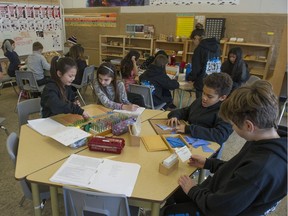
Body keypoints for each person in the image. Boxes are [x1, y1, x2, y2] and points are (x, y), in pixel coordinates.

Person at [163, 80, 287, 216]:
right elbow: (238, 169)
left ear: (249, 126)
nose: (232, 127)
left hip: (219, 208)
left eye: (232, 124)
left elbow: (219, 209)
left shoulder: (261, 168)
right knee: (176, 192)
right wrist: (209, 163)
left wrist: (193, 190)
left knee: (169, 211)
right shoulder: (264, 138)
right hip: (221, 195)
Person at [167, 72, 233, 145]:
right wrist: (175, 115)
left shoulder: (226, 113)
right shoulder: (200, 101)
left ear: (222, 97)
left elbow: (220, 135)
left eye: (209, 96)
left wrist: (189, 129)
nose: (204, 98)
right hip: (188, 139)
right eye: (203, 93)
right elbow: (187, 111)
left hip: (205, 146)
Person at [187, 23, 221, 98]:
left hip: (202, 83)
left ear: (196, 37)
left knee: (201, 103)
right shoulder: (217, 47)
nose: (193, 42)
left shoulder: (199, 49)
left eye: (193, 40)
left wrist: (190, 78)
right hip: (215, 80)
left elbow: (196, 68)